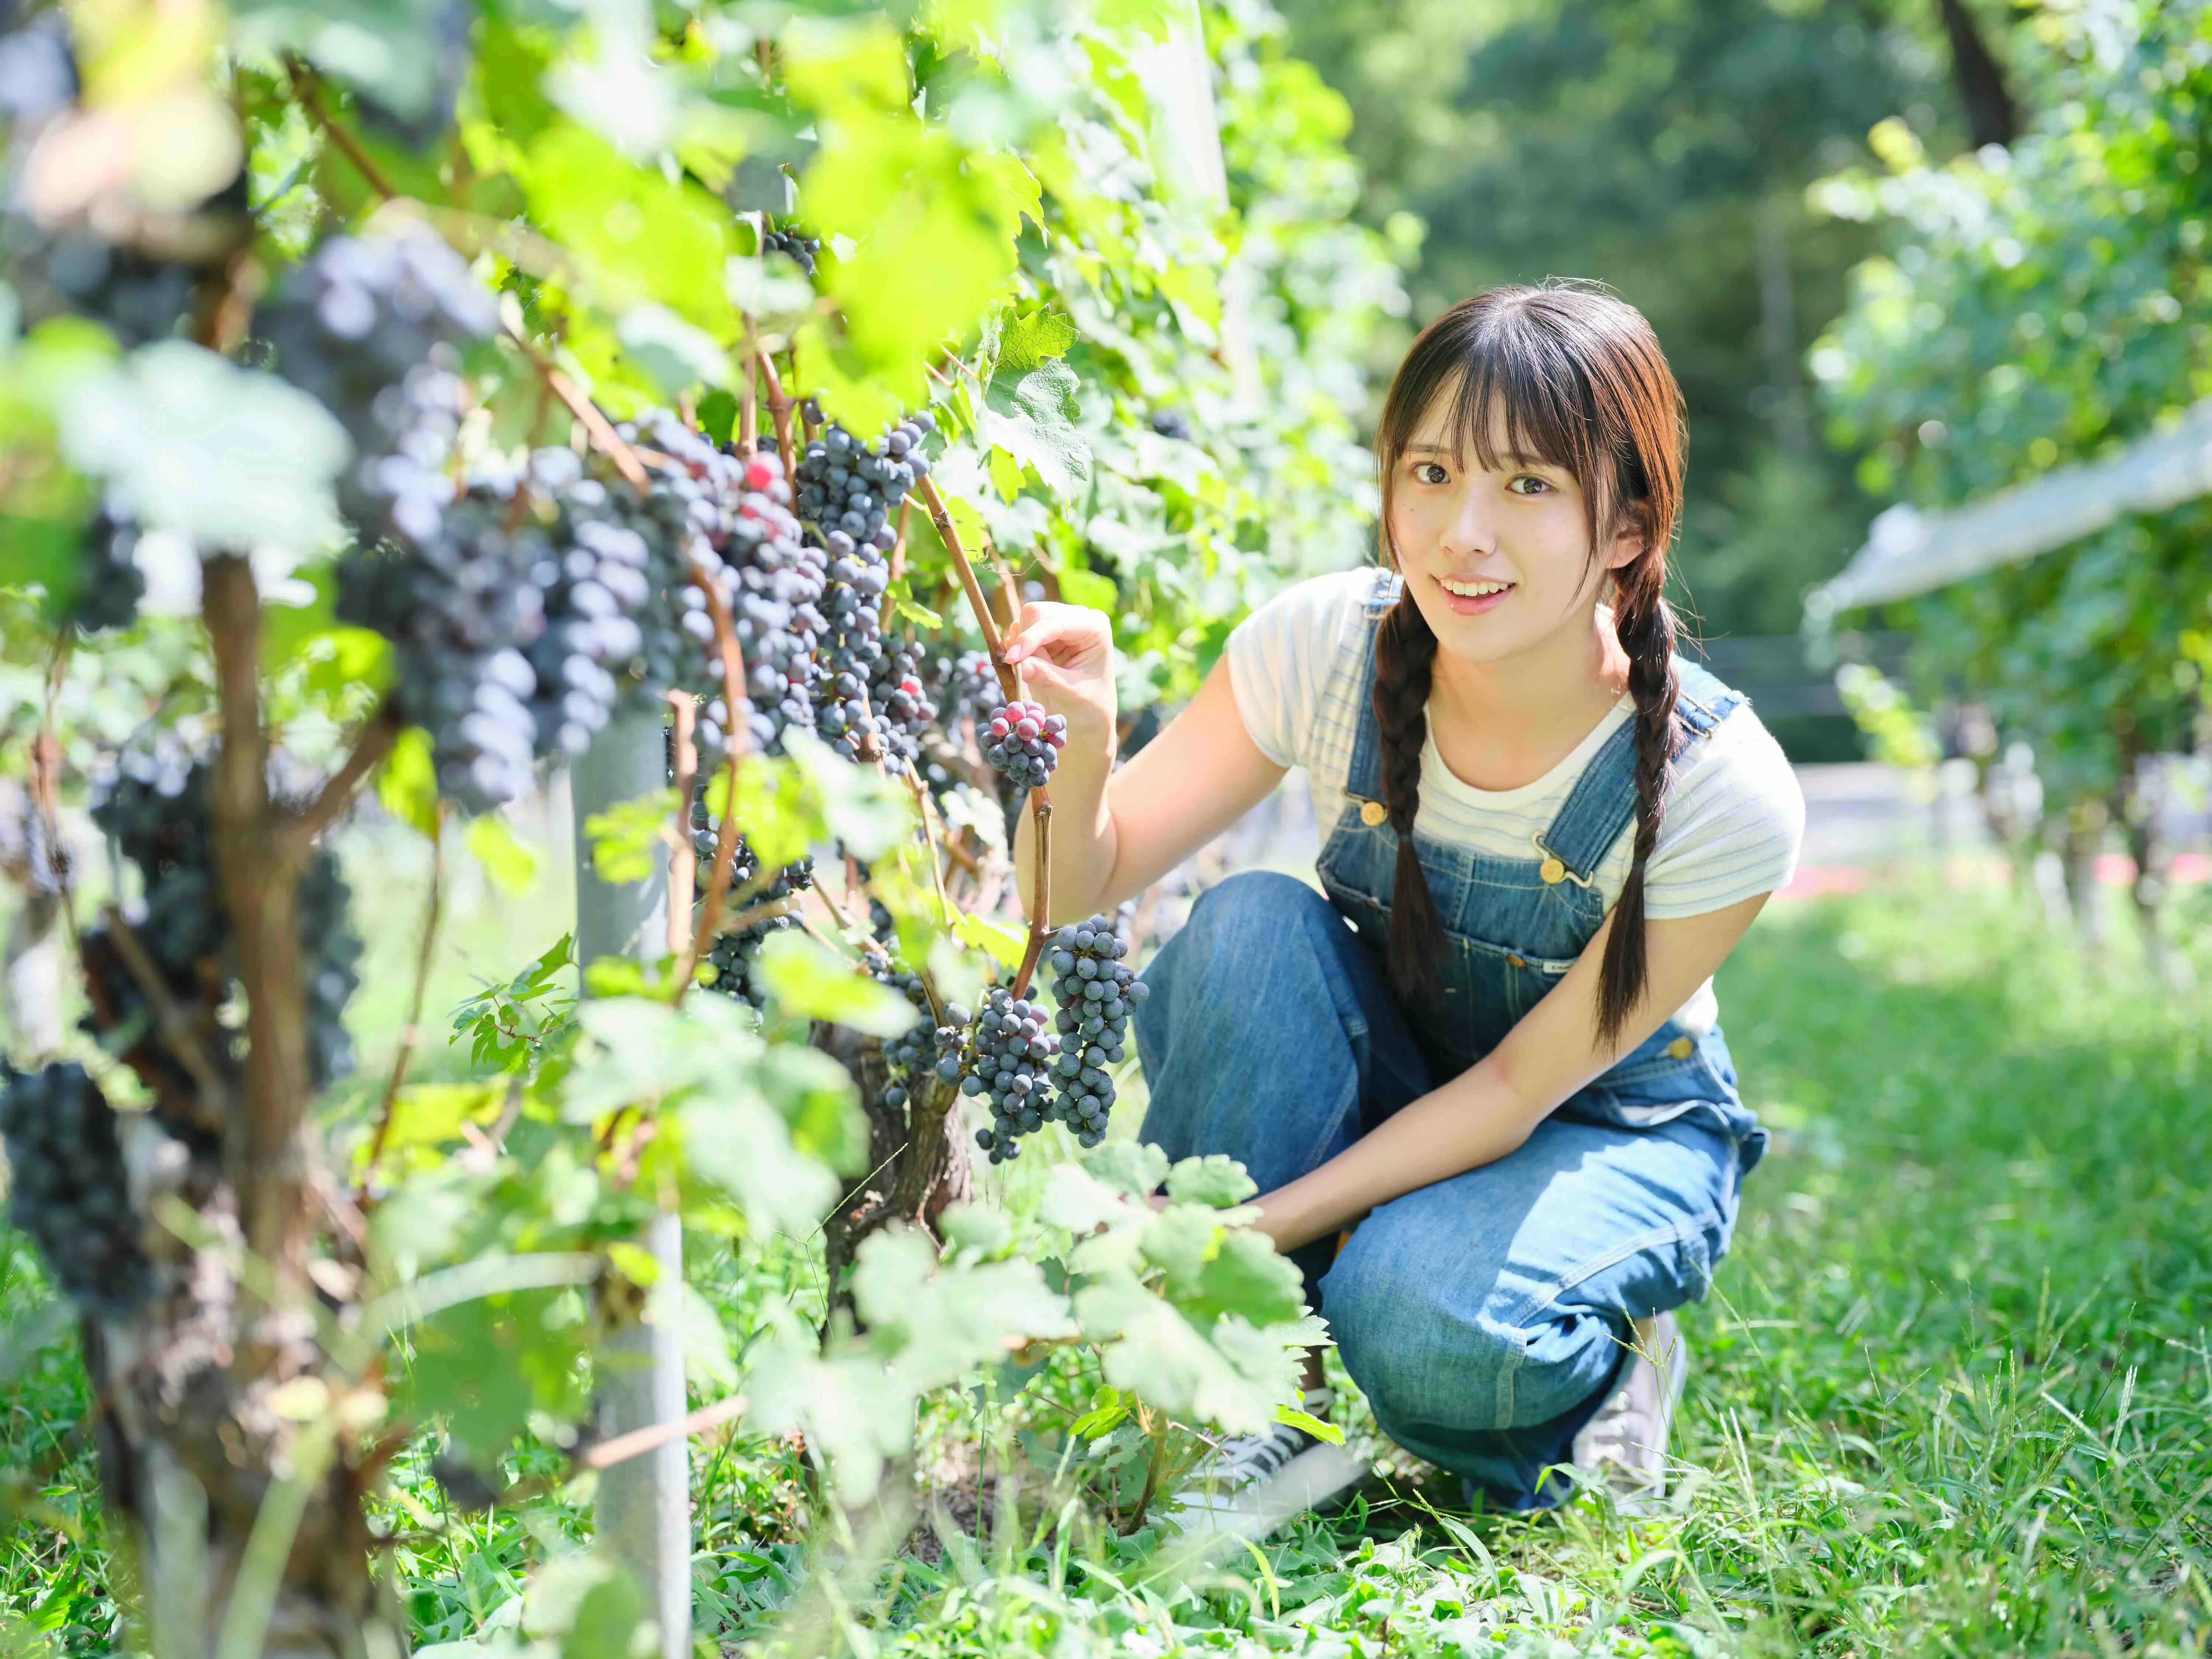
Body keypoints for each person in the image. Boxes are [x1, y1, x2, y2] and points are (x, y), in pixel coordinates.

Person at [999, 283, 1805, 1520]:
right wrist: (1084, 743)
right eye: (1430, 472)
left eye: (1529, 485)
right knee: (1246, 931)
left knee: (1420, 1322)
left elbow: (1515, 1089)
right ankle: (1255, 1398)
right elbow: (1082, 882)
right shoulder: (1321, 646)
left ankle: (1607, 1378)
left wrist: (1246, 1229)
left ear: (1634, 525)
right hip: (1407, 1083)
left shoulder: (1717, 783)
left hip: (1605, 1132)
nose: (1460, 532)